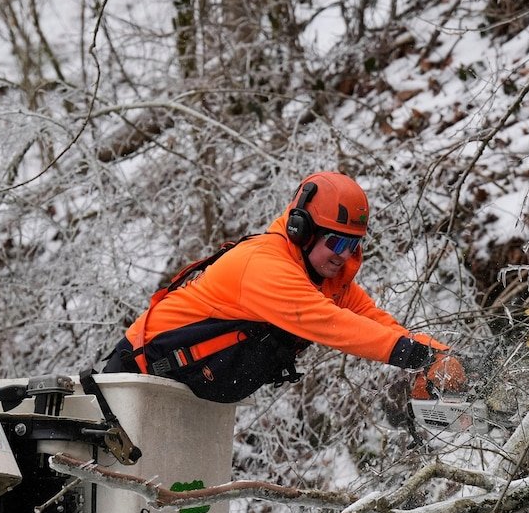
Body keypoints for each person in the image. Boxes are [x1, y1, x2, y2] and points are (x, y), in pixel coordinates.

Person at [102, 171, 464, 403]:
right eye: (336, 243)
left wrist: (441, 356)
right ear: (302, 230)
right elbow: (330, 324)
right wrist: (419, 357)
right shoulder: (264, 265)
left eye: (353, 245)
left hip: (188, 394)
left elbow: (372, 320)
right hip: (138, 377)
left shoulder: (325, 277)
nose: (344, 255)